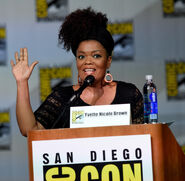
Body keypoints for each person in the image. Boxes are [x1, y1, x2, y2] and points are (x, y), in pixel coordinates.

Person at [11, 7, 144, 137]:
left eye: (96, 55)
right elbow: (29, 130)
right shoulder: (65, 98)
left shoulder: (129, 94)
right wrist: (22, 82)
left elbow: (143, 136)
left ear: (108, 60)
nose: (88, 61)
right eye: (81, 56)